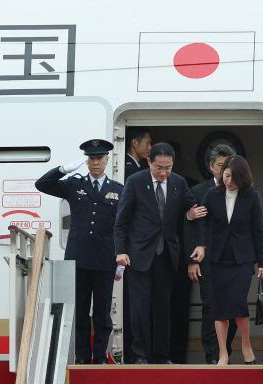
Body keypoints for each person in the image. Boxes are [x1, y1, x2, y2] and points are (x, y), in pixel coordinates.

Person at [114, 142, 207, 364]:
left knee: (163, 308)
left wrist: (199, 240)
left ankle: (161, 355)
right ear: (149, 162)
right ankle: (140, 354)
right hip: (138, 255)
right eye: (159, 168)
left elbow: (194, 212)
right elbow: (122, 221)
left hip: (166, 254)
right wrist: (120, 251)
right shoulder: (135, 181)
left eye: (168, 167)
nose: (164, 172)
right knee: (140, 308)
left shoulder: (178, 182)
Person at [35, 139, 123, 365]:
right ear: (86, 161)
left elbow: (124, 225)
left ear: (106, 160)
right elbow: (41, 184)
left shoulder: (118, 190)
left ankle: (100, 356)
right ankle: (83, 356)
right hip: (79, 256)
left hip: (105, 257)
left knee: (103, 312)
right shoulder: (74, 184)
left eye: (99, 158)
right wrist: (64, 170)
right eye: (91, 158)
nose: (95, 162)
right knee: (81, 310)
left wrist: (121, 256)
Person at [198, 155, 263, 365]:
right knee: (218, 306)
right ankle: (222, 353)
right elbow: (200, 221)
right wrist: (201, 244)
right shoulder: (212, 195)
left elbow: (258, 230)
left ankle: (246, 346)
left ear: (243, 177)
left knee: (238, 303)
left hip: (243, 260)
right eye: (226, 176)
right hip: (218, 258)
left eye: (233, 178)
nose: (229, 181)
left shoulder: (251, 197)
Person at [183, 144, 238, 364]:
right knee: (211, 307)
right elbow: (189, 227)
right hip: (206, 260)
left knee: (234, 307)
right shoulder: (198, 191)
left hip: (235, 260)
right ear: (211, 166)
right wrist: (191, 261)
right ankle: (213, 356)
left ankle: (226, 352)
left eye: (229, 166)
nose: (225, 170)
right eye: (220, 166)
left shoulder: (241, 190)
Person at [115, 127, 151, 364]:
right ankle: (131, 352)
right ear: (134, 143)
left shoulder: (137, 169)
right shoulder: (130, 172)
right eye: (147, 143)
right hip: (132, 248)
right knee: (133, 304)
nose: (150, 147)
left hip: (140, 249)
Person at [167, 140, 199, 364]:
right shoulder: (144, 184)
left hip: (182, 259)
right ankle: (154, 355)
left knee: (180, 309)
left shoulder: (191, 185)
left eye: (174, 159)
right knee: (154, 309)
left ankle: (179, 356)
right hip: (156, 257)